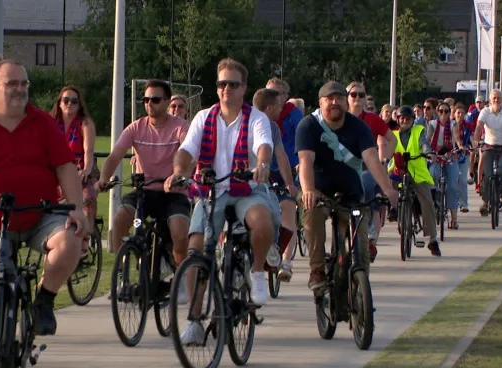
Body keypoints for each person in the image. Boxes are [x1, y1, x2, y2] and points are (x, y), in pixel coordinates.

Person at [165, 59, 277, 343]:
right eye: (222, 84)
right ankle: (194, 320)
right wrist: (179, 171)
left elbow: (263, 145)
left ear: (244, 88)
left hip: (246, 187)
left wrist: (262, 164)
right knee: (195, 250)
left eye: (233, 84)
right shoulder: (204, 117)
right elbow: (187, 149)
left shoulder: (256, 118)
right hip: (211, 190)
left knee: (261, 222)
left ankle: (257, 271)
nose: (226, 88)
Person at [0, 60, 86, 335]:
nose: (20, 89)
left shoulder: (42, 122)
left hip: (39, 215)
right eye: (12, 84)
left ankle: (44, 300)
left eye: (24, 83)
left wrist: (77, 209)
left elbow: (65, 167)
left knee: (69, 240)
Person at [296, 81, 398, 291]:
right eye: (329, 99)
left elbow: (371, 158)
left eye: (339, 98)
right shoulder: (308, 126)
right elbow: (305, 162)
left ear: (346, 102)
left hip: (351, 193)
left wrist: (387, 189)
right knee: (312, 214)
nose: (335, 103)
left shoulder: (358, 127)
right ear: (321, 102)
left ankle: (360, 292)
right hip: (319, 192)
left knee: (360, 245)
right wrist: (308, 191)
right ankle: (317, 270)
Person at [96, 79, 191, 302]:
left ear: (167, 102)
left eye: (155, 100)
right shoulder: (136, 127)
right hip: (144, 191)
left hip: (172, 191)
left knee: (179, 232)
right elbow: (115, 155)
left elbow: (186, 152)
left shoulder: (180, 127)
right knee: (119, 221)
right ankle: (122, 277)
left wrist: (177, 175)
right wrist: (103, 178)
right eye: (146, 99)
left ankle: (182, 278)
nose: (149, 104)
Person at [347, 81, 397, 262]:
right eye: (354, 95)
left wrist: (385, 159)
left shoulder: (373, 120)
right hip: (345, 169)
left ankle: (371, 237)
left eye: (361, 95)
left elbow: (391, 139)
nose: (358, 98)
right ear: (347, 97)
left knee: (369, 193)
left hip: (369, 167)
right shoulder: (339, 117)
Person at [253, 88, 298, 281]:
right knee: (287, 208)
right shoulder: (268, 126)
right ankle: (274, 247)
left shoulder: (273, 127)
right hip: (257, 177)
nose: (281, 110)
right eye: (279, 106)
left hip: (269, 176)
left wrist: (288, 182)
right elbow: (280, 156)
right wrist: (290, 185)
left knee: (286, 206)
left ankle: (278, 252)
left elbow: (281, 156)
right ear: (270, 107)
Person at [49, 86, 97, 255]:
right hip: (56, 170)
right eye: (66, 100)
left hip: (79, 168)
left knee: (87, 198)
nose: (70, 104)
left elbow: (88, 151)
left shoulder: (84, 123)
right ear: (59, 103)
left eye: (74, 101)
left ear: (79, 104)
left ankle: (85, 237)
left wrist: (86, 169)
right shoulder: (52, 123)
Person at [388, 106, 442, 256]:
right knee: (387, 184)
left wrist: (428, 152)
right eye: (402, 118)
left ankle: (432, 239)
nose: (405, 120)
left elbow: (424, 143)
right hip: (398, 171)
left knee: (427, 200)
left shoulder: (419, 131)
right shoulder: (392, 135)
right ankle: (393, 209)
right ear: (398, 120)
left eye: (408, 118)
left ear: (413, 120)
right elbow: (386, 149)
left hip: (417, 173)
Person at [473, 89, 502, 215]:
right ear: (490, 100)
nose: (496, 100)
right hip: (489, 146)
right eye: (494, 98)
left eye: (498, 98)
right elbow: (478, 126)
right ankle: (486, 201)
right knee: (487, 174)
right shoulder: (485, 112)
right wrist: (476, 139)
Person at [426, 102, 460, 229]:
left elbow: (456, 138)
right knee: (433, 176)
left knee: (451, 186)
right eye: (441, 111)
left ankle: (454, 219)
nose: (444, 114)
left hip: (450, 155)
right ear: (437, 112)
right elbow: (428, 138)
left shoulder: (453, 124)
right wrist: (426, 150)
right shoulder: (432, 124)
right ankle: (435, 207)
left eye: (446, 111)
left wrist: (460, 146)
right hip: (436, 156)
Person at [452, 103, 473, 212]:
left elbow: (472, 139)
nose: (460, 115)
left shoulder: (467, 126)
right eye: (458, 113)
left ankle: (464, 204)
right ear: (454, 114)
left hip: (464, 155)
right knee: (452, 180)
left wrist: (472, 147)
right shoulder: (450, 125)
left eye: (462, 113)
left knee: (462, 180)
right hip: (451, 155)